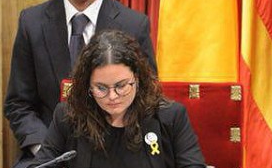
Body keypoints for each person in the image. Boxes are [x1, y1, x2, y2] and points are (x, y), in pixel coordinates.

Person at [5, 0, 158, 166]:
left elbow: (147, 101)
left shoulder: (133, 25)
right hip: (46, 154)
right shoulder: (31, 23)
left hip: (113, 155)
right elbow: (18, 104)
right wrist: (48, 149)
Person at [26, 29, 206, 168]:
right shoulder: (68, 116)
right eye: (101, 88)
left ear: (136, 78)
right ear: (88, 84)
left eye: (121, 86)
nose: (112, 97)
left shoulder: (170, 117)